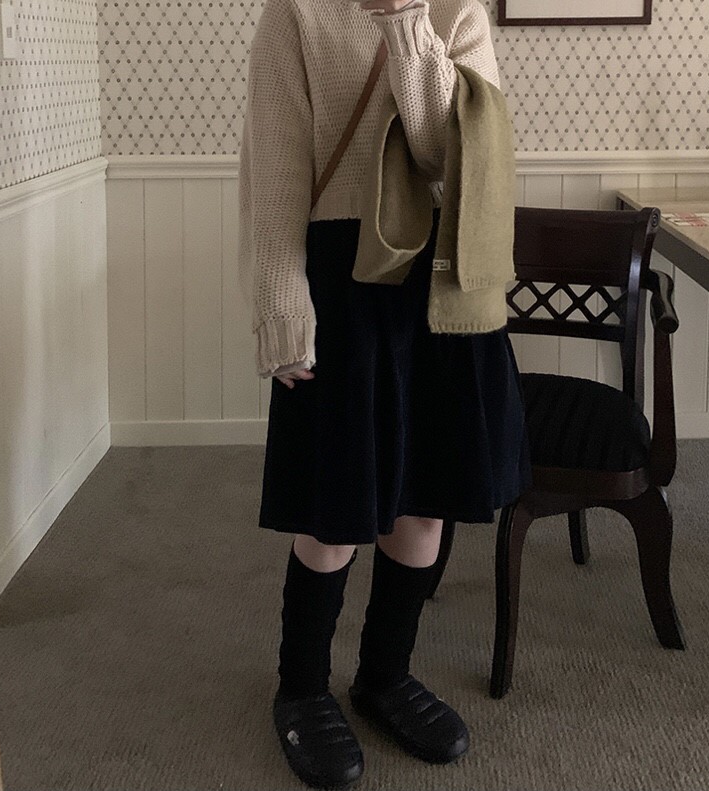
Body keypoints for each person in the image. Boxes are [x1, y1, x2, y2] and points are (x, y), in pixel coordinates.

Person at [237, 0, 531, 786]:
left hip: (440, 281)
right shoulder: (294, 14)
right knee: (332, 507)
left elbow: (449, 154)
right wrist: (281, 307)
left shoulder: (457, 14)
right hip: (341, 281)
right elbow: (275, 171)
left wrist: (406, 23)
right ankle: (301, 687)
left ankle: (383, 675)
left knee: (424, 502)